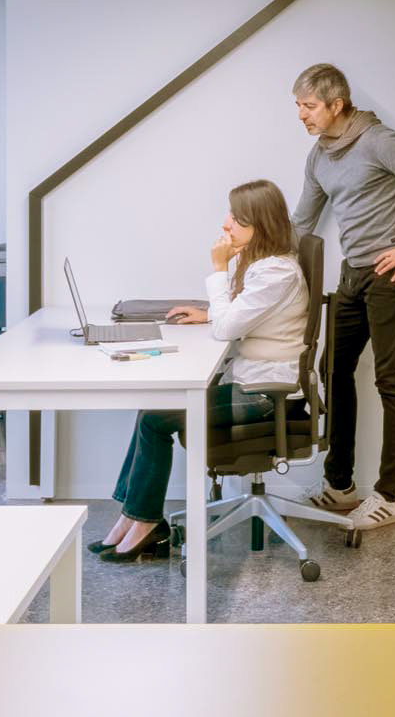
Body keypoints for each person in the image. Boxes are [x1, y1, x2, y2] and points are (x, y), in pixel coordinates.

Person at [94, 179, 309, 565]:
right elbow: (243, 315)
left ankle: (145, 522)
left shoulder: (276, 273)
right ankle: (133, 517)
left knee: (155, 419)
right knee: (152, 410)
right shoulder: (265, 266)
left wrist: (219, 269)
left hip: (265, 395)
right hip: (253, 384)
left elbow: (228, 328)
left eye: (237, 219)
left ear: (260, 224)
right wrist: (209, 313)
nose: (226, 225)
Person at [287, 61, 395, 532]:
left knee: (391, 380)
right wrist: (258, 264)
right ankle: (340, 485)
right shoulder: (319, 155)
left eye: (309, 105)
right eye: (298, 106)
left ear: (336, 104)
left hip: (390, 276)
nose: (302, 114)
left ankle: (390, 496)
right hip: (353, 275)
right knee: (332, 370)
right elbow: (303, 222)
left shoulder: (378, 141)